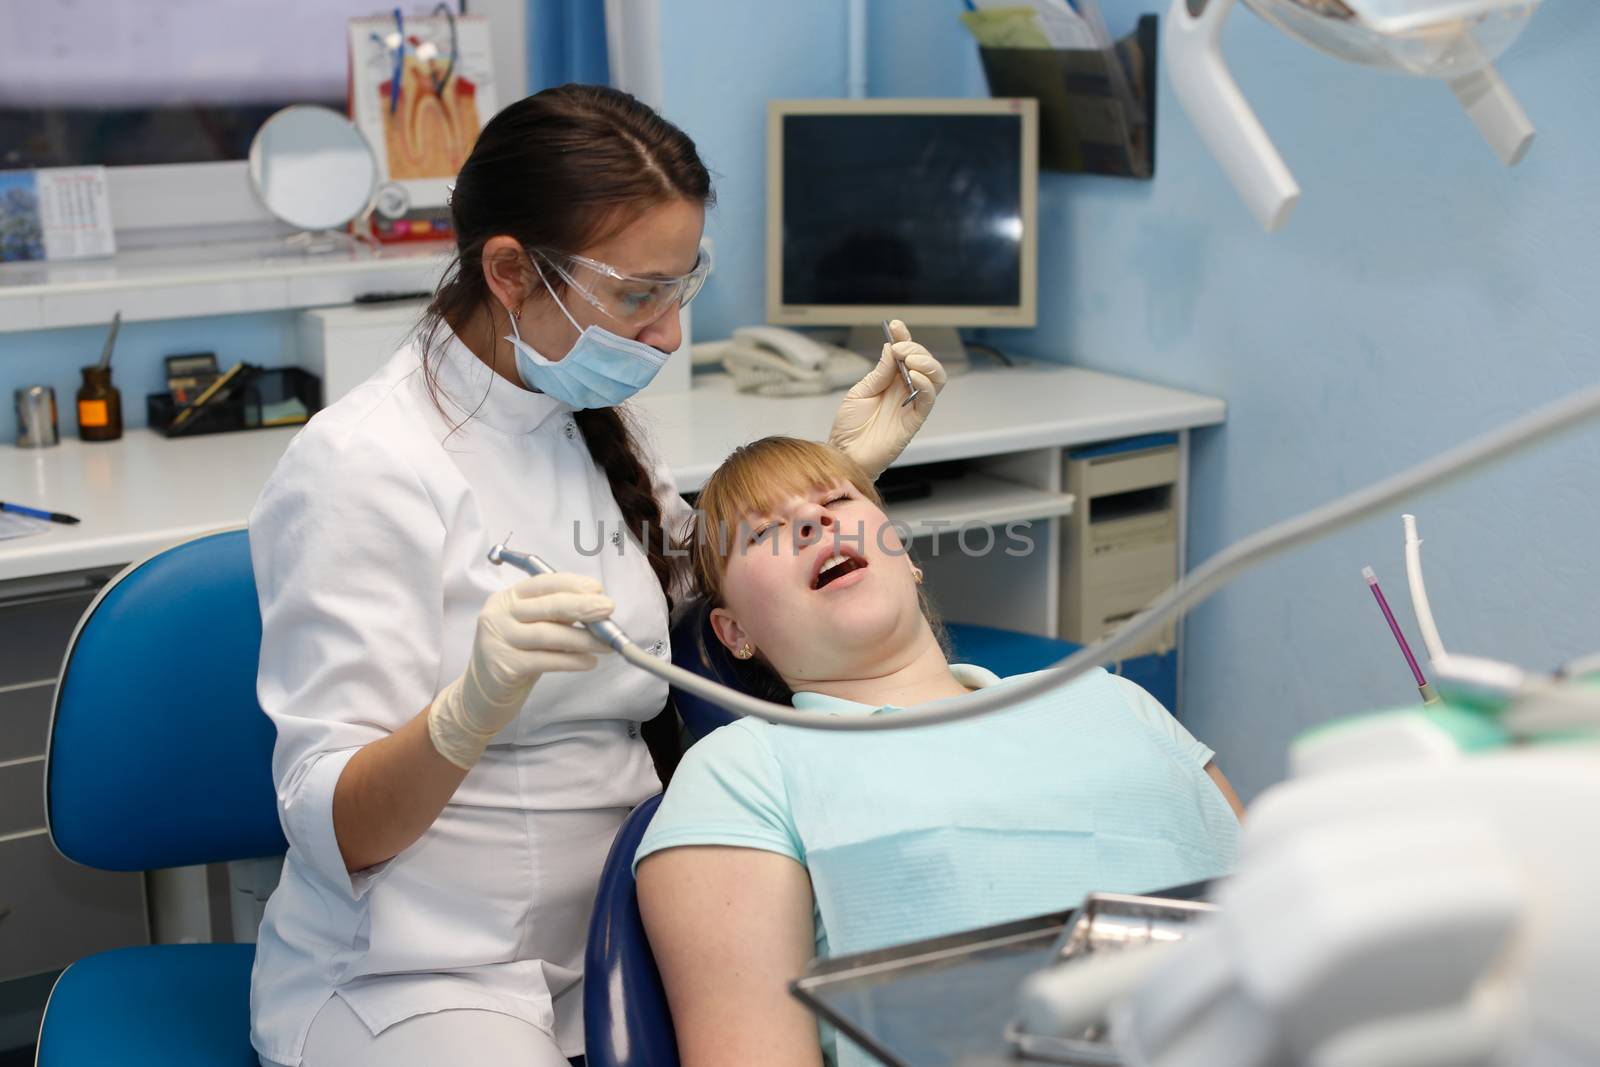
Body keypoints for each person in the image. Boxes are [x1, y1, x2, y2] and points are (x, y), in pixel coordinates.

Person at [246, 85, 947, 1067]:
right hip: (429, 971)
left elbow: (706, 600)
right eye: (635, 294)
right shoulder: (361, 465)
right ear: (509, 271)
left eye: (678, 288)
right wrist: (467, 711)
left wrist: (834, 484)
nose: (665, 334)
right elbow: (338, 826)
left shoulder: (580, 408)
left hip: (631, 917)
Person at [634, 436, 1244, 1067]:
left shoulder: (1110, 697)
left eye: (837, 499)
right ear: (735, 633)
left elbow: (1279, 911)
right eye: (763, 534)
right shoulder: (745, 772)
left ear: (906, 554)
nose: (815, 521)